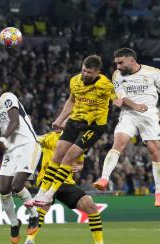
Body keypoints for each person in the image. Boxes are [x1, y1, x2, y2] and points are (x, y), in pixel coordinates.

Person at [25, 55, 116, 206]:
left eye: (89, 72)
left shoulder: (105, 84)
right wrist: (59, 119)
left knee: (68, 158)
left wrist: (122, 102)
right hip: (75, 121)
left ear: (97, 72)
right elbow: (71, 101)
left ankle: (50, 194)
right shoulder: (75, 81)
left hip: (93, 126)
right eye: (84, 70)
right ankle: (41, 193)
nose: (85, 74)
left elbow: (118, 98)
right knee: (57, 155)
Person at [93, 48, 160, 207]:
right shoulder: (117, 75)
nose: (117, 66)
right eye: (116, 63)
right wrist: (134, 105)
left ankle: (159, 192)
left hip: (149, 113)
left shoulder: (154, 72)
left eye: (120, 62)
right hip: (129, 113)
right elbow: (122, 97)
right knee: (119, 142)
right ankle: (104, 178)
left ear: (132, 60)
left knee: (154, 150)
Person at [21, 130, 117, 244]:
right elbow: (34, 141)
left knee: (90, 206)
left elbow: (80, 162)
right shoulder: (50, 137)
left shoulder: (77, 142)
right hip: (47, 180)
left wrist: (80, 166)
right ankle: (29, 241)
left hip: (66, 182)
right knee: (43, 206)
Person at [0, 84, 40, 244]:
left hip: (28, 145)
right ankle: (14, 223)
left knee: (17, 186)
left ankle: (34, 215)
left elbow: (14, 121)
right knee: (4, 189)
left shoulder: (7, 97)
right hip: (11, 151)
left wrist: (3, 140)